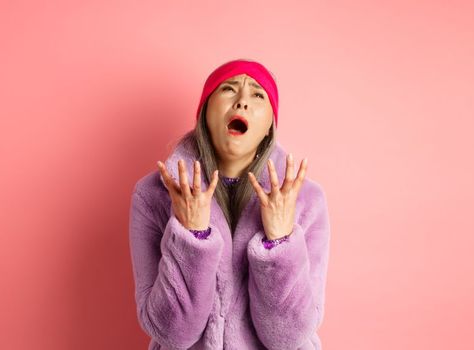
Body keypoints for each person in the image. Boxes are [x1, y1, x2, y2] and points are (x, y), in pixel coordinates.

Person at [128, 59, 331, 349]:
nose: (242, 102)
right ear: (205, 112)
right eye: (228, 89)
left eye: (257, 94)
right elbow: (172, 333)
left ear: (269, 127)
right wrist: (191, 236)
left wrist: (281, 240)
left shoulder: (305, 200)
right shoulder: (154, 195)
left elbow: (289, 338)